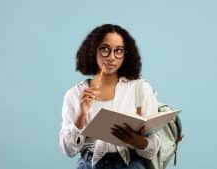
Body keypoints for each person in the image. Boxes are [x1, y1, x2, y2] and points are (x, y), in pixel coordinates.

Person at [59, 24, 161, 169]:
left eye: (118, 51)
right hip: (89, 164)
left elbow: (153, 150)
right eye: (105, 49)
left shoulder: (141, 89)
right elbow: (68, 150)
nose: (111, 57)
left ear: (125, 54)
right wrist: (81, 115)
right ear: (93, 51)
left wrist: (137, 141)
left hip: (131, 164)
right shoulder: (74, 94)